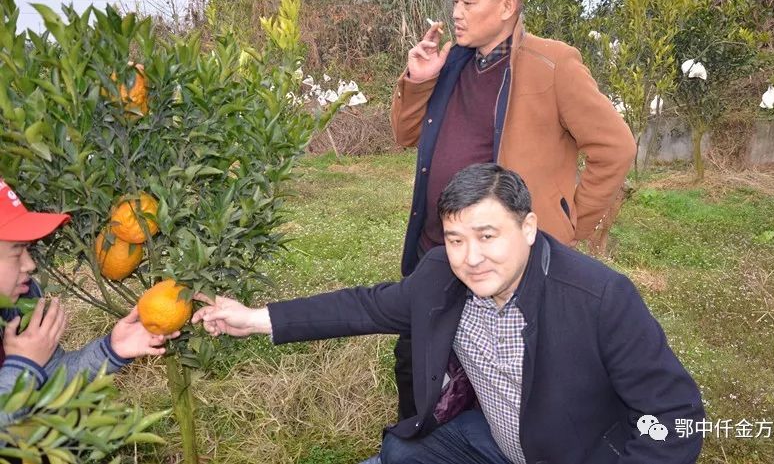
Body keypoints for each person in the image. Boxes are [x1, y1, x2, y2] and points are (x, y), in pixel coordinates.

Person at [193, 163, 704, 464]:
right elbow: (364, 306)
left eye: (487, 236)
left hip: (573, 453)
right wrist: (254, 318)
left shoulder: (599, 297)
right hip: (496, 440)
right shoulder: (442, 273)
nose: (471, 258)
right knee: (401, 453)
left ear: (527, 228)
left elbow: (678, 416)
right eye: (457, 239)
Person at [390, 0, 637, 419]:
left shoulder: (552, 63)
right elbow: (406, 136)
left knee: (508, 375)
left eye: (467, 2)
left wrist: (570, 223)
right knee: (417, 361)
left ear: (506, 6)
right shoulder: (452, 63)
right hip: (438, 247)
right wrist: (419, 81)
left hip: (506, 259)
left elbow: (615, 146)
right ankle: (419, 440)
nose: (456, 12)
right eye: (454, 1)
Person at [0, 178, 178, 425]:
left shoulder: (19, 303)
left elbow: (50, 380)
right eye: (16, 252)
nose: (29, 265)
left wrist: (110, 351)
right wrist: (24, 367)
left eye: (27, 249)